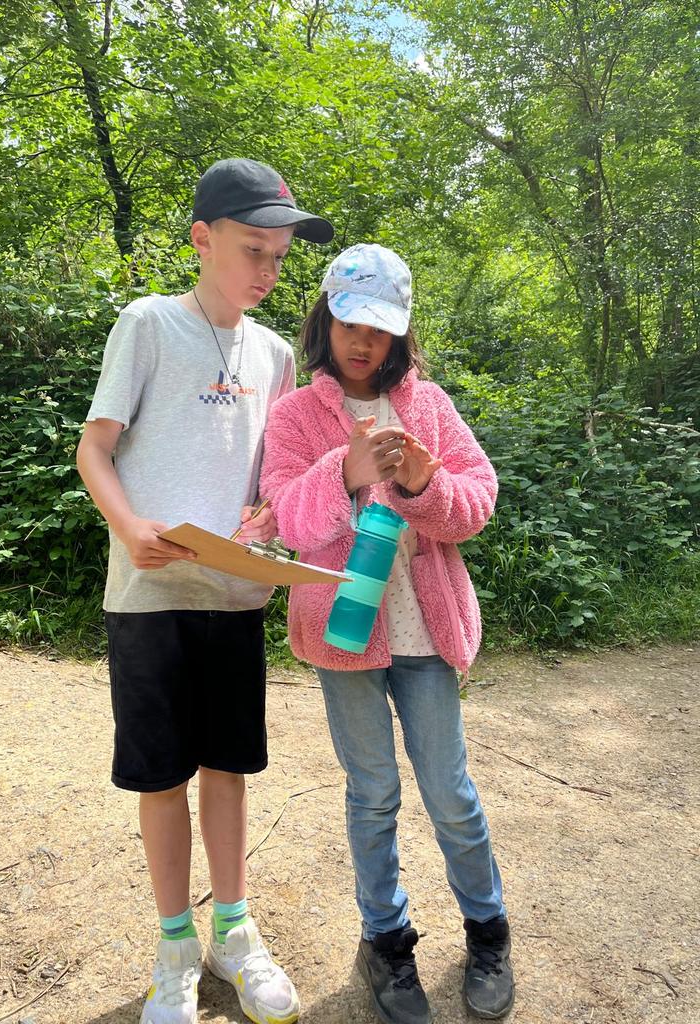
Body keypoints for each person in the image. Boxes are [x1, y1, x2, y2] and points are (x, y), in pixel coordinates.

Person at [76, 158, 333, 1024]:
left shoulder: (276, 353)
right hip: (149, 594)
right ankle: (175, 945)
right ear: (202, 239)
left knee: (229, 767)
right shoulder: (148, 324)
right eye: (253, 250)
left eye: (280, 255)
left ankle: (233, 930)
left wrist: (268, 518)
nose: (268, 270)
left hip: (234, 595)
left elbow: (272, 479)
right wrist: (128, 525)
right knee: (160, 776)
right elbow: (95, 449)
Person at [260, 244, 515, 1023]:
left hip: (427, 637)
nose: (362, 340)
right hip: (344, 635)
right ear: (325, 320)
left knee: (451, 794)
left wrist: (422, 482)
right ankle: (387, 943)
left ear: (400, 333)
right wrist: (343, 470)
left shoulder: (429, 405)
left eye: (379, 326)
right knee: (372, 796)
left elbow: (478, 500)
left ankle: (488, 931)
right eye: (348, 321)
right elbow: (289, 522)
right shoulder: (296, 415)